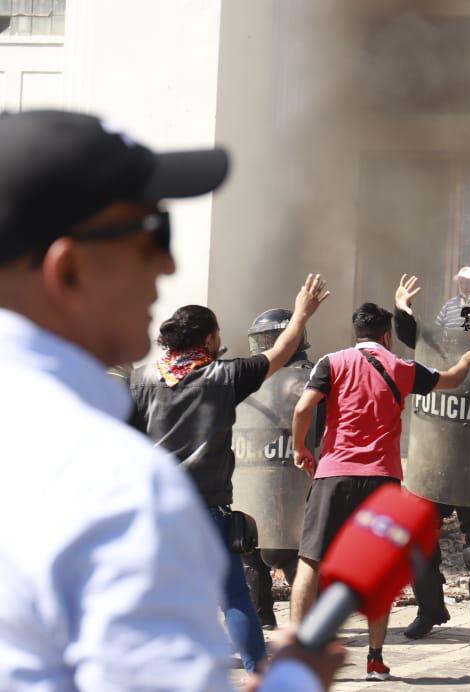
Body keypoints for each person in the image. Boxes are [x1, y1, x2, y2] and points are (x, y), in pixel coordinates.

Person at [0, 109, 341, 690]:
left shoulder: (61, 422)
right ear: (69, 269)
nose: (168, 263)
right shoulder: (121, 490)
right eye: (149, 235)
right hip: (205, 504)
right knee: (236, 593)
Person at [132, 277, 329, 672]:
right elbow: (281, 352)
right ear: (206, 339)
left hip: (154, 508)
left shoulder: (142, 378)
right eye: (217, 333)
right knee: (234, 596)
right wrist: (303, 312)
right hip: (207, 509)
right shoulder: (225, 377)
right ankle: (259, 670)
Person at [289, 300, 470, 680]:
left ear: (356, 333)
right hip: (382, 481)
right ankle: (375, 659)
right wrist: (468, 361)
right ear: (387, 335)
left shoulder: (331, 362)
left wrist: (301, 449)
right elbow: (450, 380)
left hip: (333, 476)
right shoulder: (403, 368)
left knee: (310, 562)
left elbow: (302, 409)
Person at [392, 276, 470, 647]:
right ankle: (430, 610)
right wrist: (403, 311)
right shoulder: (447, 344)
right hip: (436, 454)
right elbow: (416, 339)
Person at [238, 308, 320, 630]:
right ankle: (264, 615)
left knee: (287, 552)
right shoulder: (250, 378)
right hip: (256, 473)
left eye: (275, 338)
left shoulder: (311, 378)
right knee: (254, 551)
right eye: (266, 339)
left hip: (297, 473)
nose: (270, 344)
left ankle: (308, 623)